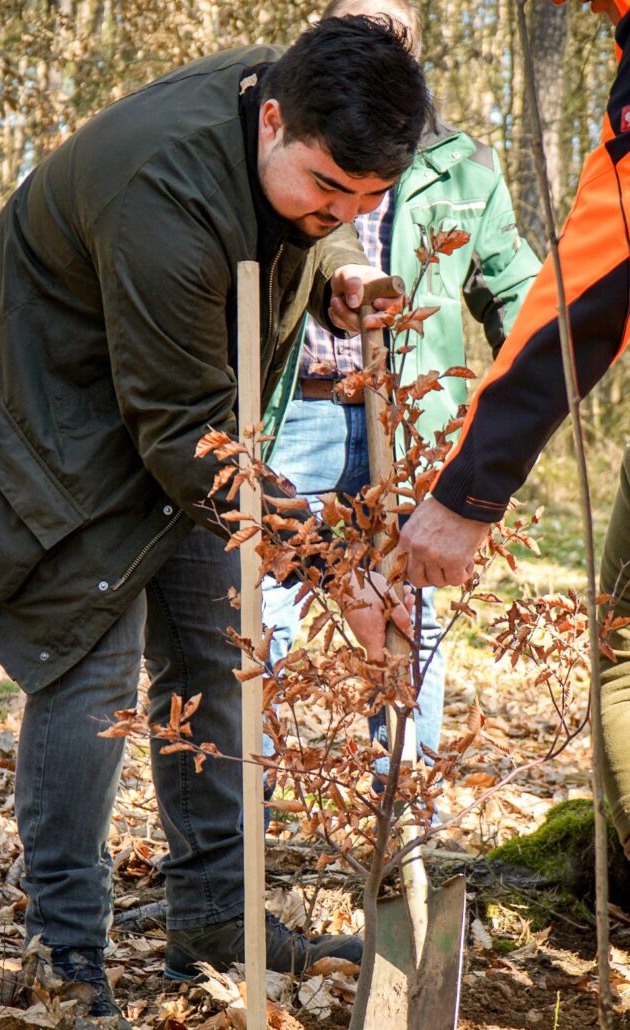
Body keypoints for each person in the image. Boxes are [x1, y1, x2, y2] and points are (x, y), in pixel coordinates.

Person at [0, 18, 429, 1019]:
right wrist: (342, 565)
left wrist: (340, 257)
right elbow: (187, 434)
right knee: (90, 662)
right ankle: (65, 961)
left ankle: (217, 923)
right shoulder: (161, 191)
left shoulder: (286, 109)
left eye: (368, 197)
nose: (342, 209)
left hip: (155, 408)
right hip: (30, 403)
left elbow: (200, 404)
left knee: (218, 648)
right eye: (327, 188)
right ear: (271, 124)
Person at [262, 0, 539, 770]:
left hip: (411, 424)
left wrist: (524, 407)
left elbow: (517, 298)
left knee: (406, 622)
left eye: (396, 35)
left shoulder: (467, 169)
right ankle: (243, 832)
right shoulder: (285, 141)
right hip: (298, 410)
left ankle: (403, 821)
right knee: (265, 607)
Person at [397, 0, 630, 841]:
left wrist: (470, 488)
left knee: (625, 660)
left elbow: (589, 289)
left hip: (443, 426)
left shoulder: (465, 166)